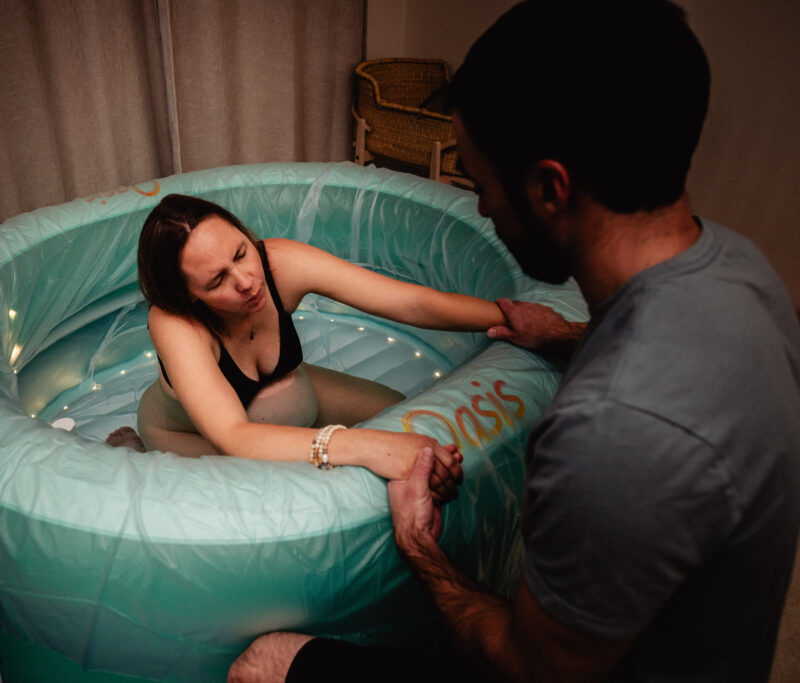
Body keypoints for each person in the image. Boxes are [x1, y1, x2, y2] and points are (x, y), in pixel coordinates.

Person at [229, 0, 800, 681]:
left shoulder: (607, 434)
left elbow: (530, 667)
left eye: (479, 181)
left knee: (264, 662)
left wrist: (422, 553)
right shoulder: (745, 270)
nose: (480, 207)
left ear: (549, 188)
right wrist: (562, 336)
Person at [108, 192, 506, 496]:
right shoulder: (175, 322)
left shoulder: (279, 263)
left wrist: (509, 319)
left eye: (242, 253)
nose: (246, 280)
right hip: (192, 434)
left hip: (287, 395)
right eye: (217, 281)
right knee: (269, 492)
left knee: (400, 413)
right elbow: (233, 436)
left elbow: (408, 301)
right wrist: (365, 446)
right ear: (188, 295)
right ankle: (138, 452)